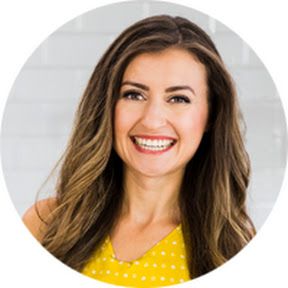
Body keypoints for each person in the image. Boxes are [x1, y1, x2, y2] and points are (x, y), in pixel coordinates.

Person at [23, 15, 256, 287]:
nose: (152, 119)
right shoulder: (47, 224)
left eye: (178, 99)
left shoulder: (232, 247)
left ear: (211, 116)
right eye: (134, 94)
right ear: (107, 106)